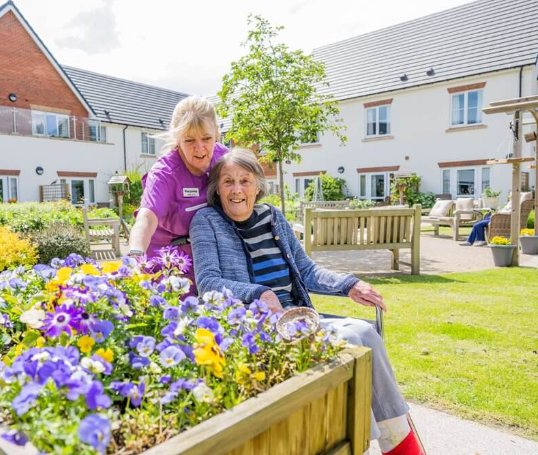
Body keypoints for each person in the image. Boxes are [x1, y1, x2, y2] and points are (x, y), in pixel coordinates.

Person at [189, 149, 425, 455]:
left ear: (257, 186)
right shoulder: (206, 221)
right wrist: (258, 293)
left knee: (365, 333)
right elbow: (208, 284)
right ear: (217, 189)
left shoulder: (273, 217)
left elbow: (307, 270)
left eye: (244, 181)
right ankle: (369, 445)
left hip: (299, 317)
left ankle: (398, 445)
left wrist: (349, 284)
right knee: (352, 339)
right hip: (255, 326)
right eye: (228, 182)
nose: (236, 190)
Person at [128, 96, 229, 284]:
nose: (199, 148)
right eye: (189, 140)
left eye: (207, 138)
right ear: (177, 139)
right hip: (167, 263)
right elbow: (146, 219)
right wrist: (134, 257)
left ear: (217, 132)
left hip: (210, 259)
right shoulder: (164, 173)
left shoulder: (224, 158)